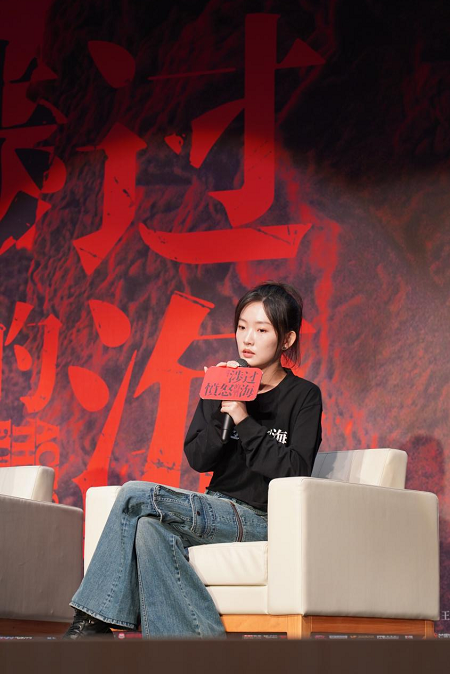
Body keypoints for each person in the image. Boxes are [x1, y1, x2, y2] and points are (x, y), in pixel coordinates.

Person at [63, 282, 322, 639]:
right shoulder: (223, 384)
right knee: (148, 530)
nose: (247, 339)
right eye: (242, 327)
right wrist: (223, 408)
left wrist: (243, 419)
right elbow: (199, 458)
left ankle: (90, 621)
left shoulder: (303, 396)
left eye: (261, 330)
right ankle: (199, 652)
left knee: (134, 494)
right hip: (217, 507)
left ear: (287, 339)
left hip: (262, 518)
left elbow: (295, 470)